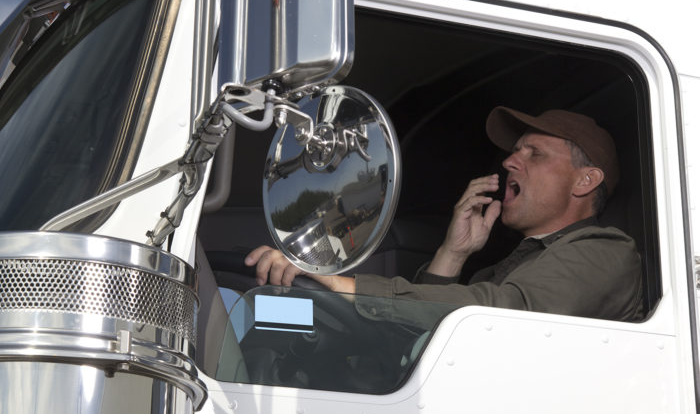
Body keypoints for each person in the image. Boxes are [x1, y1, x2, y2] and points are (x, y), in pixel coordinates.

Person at [245, 106, 644, 321]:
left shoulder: (606, 252)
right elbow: (421, 326)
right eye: (515, 150)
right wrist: (454, 253)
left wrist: (345, 288)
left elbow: (502, 318)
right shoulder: (512, 265)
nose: (509, 162)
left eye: (533, 154)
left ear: (585, 181)